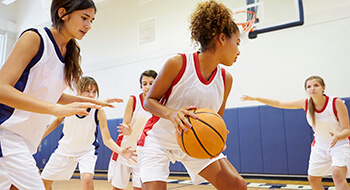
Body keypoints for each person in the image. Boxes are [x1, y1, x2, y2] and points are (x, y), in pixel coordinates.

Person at [0, 1, 121, 189]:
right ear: (63, 13)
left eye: (91, 20)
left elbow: (53, 95)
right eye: (84, 18)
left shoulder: (69, 54)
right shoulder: (35, 38)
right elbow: (1, 89)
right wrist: (55, 109)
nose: (89, 26)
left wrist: (92, 101)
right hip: (6, 132)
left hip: (24, 140)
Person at [136, 1, 247, 190]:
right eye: (237, 43)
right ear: (221, 39)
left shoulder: (226, 79)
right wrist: (172, 114)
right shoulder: (178, 63)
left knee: (236, 185)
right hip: (159, 140)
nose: (238, 51)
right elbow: (149, 101)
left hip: (194, 141)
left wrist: (217, 133)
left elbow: (216, 117)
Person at [241, 76, 350, 190]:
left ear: (323, 87)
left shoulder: (336, 102)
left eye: (316, 85)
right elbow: (279, 103)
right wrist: (257, 98)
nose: (312, 88)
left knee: (337, 175)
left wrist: (338, 136)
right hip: (320, 145)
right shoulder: (305, 103)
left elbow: (347, 130)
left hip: (339, 144)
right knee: (313, 178)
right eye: (309, 86)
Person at [41, 76, 136, 190]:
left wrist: (121, 151)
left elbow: (107, 139)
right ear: (79, 91)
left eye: (94, 92)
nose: (91, 95)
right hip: (64, 149)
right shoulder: (68, 105)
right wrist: (41, 137)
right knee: (44, 181)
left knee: (87, 178)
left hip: (86, 151)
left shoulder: (99, 111)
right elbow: (57, 120)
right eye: (88, 91)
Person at [108, 70, 158, 190]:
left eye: (151, 83)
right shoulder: (134, 99)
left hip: (143, 151)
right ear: (140, 86)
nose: (147, 86)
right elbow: (125, 123)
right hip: (126, 147)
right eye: (144, 83)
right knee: (118, 187)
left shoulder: (159, 104)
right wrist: (127, 130)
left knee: (139, 187)